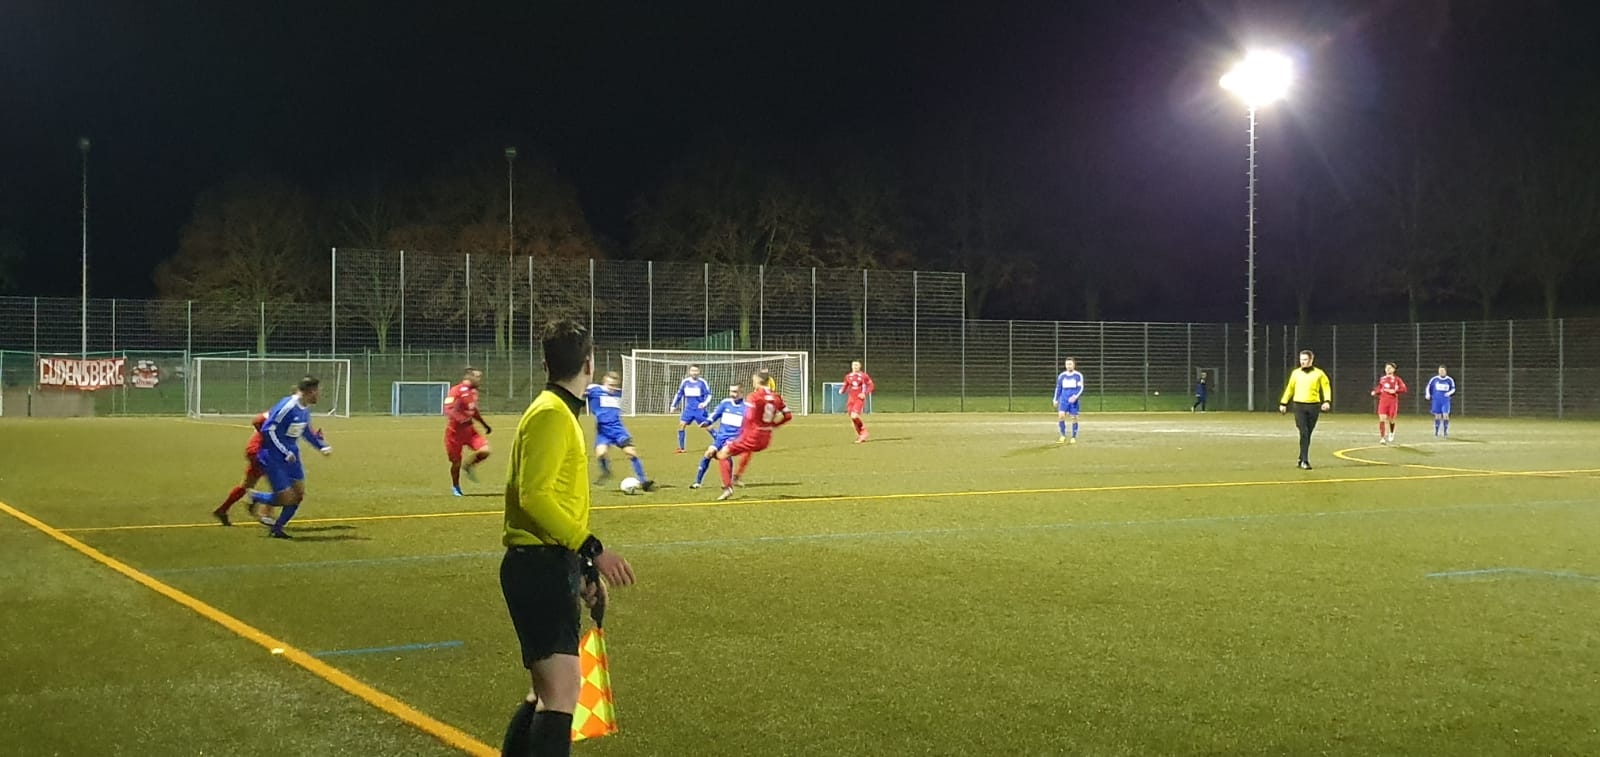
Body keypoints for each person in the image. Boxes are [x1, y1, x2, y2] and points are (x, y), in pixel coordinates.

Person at [499, 317, 636, 757]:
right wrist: (591, 547)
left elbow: (552, 499)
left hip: (546, 562)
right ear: (589, 364)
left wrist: (581, 567)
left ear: (545, 364)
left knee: (545, 692)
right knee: (560, 694)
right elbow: (534, 496)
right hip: (537, 565)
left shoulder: (555, 412)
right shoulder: (551, 415)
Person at [255, 377, 332, 539]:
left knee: (298, 495)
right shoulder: (288, 406)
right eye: (318, 391)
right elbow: (268, 430)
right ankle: (255, 497)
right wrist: (284, 451)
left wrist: (321, 446)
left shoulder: (304, 408)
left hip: (292, 456)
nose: (319, 395)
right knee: (286, 498)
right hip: (274, 455)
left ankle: (277, 529)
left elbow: (305, 431)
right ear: (310, 391)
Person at [713, 369, 792, 501]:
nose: (753, 383)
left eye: (753, 380)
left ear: (757, 380)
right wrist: (773, 425)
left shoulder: (754, 397)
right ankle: (737, 476)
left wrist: (744, 431)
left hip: (753, 435)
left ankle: (727, 488)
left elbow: (749, 416)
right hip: (766, 438)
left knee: (723, 453)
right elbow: (788, 415)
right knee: (747, 450)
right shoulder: (776, 397)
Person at [585, 372, 654, 491]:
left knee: (631, 453)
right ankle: (606, 472)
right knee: (601, 453)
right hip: (603, 431)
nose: (612, 387)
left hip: (618, 430)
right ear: (604, 383)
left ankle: (644, 482)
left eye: (615, 385)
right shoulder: (594, 390)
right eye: (610, 385)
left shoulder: (618, 393)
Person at [211, 410, 270, 526]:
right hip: (259, 452)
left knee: (246, 485)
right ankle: (264, 512)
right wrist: (266, 436)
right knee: (283, 483)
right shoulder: (282, 411)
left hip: (257, 451)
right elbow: (257, 421)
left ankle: (222, 510)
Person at [1279, 350, 1332, 470]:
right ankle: (1304, 460)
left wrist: (1327, 401)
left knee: (1308, 433)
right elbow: (1290, 388)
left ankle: (1301, 457)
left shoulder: (1319, 373)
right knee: (1304, 432)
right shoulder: (1296, 373)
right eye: (1301, 359)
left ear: (1311, 360)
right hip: (1299, 406)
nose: (1302, 362)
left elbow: (1326, 387)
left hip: (1313, 406)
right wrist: (1283, 402)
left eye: (1305, 359)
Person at [692, 383, 750, 489]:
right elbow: (715, 415)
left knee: (725, 454)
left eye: (735, 392)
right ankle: (697, 483)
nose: (732, 394)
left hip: (734, 439)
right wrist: (707, 422)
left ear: (742, 393)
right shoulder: (725, 403)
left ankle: (727, 482)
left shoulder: (746, 408)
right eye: (731, 391)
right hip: (721, 437)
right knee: (709, 453)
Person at [446, 367, 493, 496]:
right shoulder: (456, 390)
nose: (480, 380)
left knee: (485, 450)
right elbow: (448, 409)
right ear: (469, 377)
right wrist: (460, 419)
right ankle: (456, 487)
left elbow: (474, 411)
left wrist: (484, 424)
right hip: (454, 433)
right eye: (477, 377)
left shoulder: (473, 392)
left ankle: (468, 466)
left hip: (470, 431)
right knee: (456, 463)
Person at [670, 365, 712, 453]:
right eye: (692, 370)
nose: (694, 373)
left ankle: (721, 443)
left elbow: (709, 395)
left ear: (699, 372)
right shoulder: (685, 382)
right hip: (689, 409)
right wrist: (673, 405)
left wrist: (704, 403)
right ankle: (682, 448)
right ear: (689, 372)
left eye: (696, 371)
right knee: (681, 425)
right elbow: (679, 394)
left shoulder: (702, 382)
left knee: (707, 427)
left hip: (699, 410)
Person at [1370, 362, 1409, 444]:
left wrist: (1395, 391)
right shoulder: (1382, 379)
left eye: (1390, 368)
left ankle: (1391, 432)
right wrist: (1375, 391)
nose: (1388, 369)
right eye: (1386, 368)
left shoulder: (1397, 379)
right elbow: (1380, 388)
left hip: (1392, 402)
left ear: (1394, 370)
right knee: (1382, 418)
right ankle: (1382, 438)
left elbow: (1404, 389)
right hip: (1383, 401)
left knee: (1391, 420)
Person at [840, 360, 875, 443]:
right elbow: (846, 384)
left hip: (859, 399)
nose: (855, 366)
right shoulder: (848, 376)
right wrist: (842, 390)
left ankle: (863, 432)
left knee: (854, 416)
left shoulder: (864, 376)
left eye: (857, 365)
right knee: (853, 418)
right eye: (854, 365)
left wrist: (864, 393)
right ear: (851, 366)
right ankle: (861, 436)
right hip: (851, 399)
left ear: (860, 366)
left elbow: (871, 385)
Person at [1054, 358, 1085, 444]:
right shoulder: (1062, 376)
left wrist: (1075, 396)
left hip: (1073, 401)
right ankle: (1063, 436)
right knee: (1061, 416)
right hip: (1064, 399)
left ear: (1074, 365)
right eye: (1067, 364)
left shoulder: (1078, 375)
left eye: (1070, 364)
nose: (1068, 366)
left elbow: (1080, 388)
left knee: (1074, 418)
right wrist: (1055, 399)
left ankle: (1073, 437)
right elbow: (1058, 388)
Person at [1426, 364, 1457, 437]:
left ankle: (1445, 432)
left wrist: (1449, 393)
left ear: (1445, 371)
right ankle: (1436, 432)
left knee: (1446, 415)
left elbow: (1453, 389)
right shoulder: (1434, 379)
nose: (1441, 372)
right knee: (1437, 416)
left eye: (1442, 371)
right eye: (1440, 371)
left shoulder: (1449, 380)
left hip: (1445, 401)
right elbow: (1428, 387)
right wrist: (1428, 394)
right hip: (1436, 400)